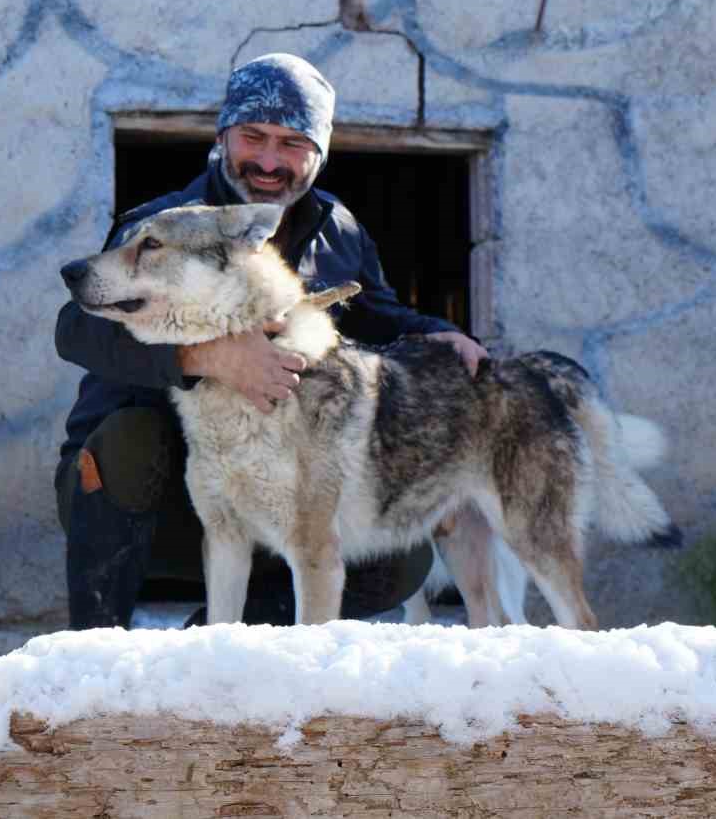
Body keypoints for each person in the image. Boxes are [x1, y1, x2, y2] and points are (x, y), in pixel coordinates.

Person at [53, 53, 488, 629]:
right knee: (130, 440)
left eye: (291, 143)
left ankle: (233, 636)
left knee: (400, 560)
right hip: (150, 495)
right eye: (253, 136)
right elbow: (76, 328)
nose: (267, 159)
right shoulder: (159, 226)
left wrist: (441, 333)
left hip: (281, 474)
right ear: (223, 136)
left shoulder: (338, 231)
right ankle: (98, 652)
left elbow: (379, 314)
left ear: (319, 152)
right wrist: (206, 356)